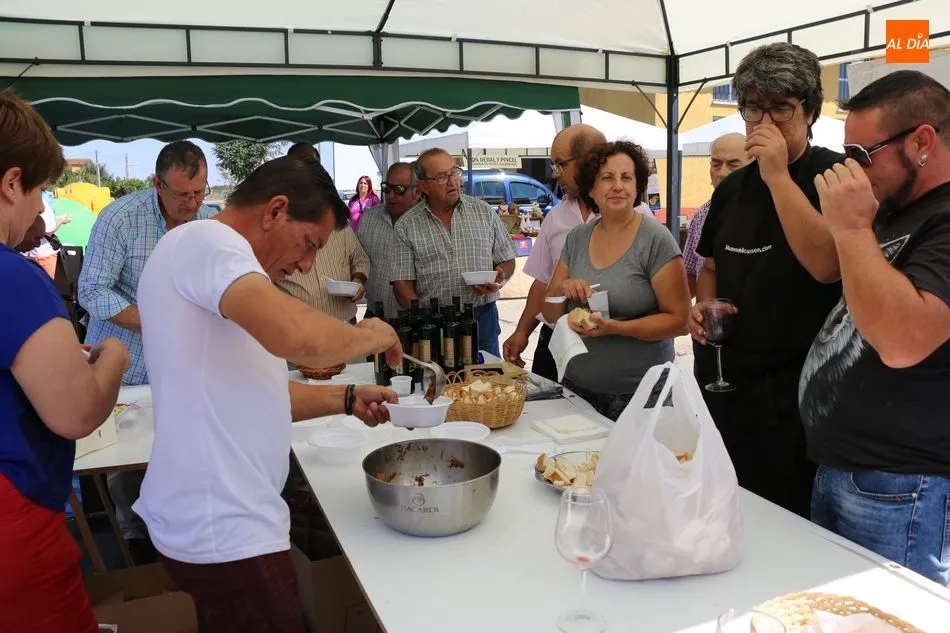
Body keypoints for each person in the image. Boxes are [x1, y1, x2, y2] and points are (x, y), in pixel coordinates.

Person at [133, 155, 402, 633]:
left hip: (223, 523)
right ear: (275, 210)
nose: (306, 264)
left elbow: (255, 391)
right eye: (309, 244)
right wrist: (372, 335)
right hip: (225, 530)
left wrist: (345, 398)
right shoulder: (207, 242)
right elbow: (297, 338)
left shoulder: (212, 266)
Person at [799, 70, 950, 585]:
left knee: (889, 616)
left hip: (903, 484)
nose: (851, 169)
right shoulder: (895, 208)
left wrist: (850, 227)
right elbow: (828, 270)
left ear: (922, 142)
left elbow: (904, 342)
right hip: (849, 468)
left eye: (862, 154)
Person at [691, 43, 844, 518]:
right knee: (723, 507)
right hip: (726, 382)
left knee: (784, 518)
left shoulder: (833, 174)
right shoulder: (732, 189)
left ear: (810, 112)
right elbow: (710, 265)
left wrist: (777, 175)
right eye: (754, 107)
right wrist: (703, 306)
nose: (764, 122)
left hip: (798, 394)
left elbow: (828, 265)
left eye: (781, 107)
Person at [0, 90, 129, 633]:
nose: (40, 210)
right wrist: (113, 356)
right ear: (11, 183)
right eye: (39, 192)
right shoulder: (13, 277)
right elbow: (77, 412)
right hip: (15, 533)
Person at [78, 140, 216, 562]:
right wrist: (158, 318)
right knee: (127, 462)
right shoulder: (120, 218)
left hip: (184, 365)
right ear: (158, 184)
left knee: (184, 449)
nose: (192, 203)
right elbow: (92, 291)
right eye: (181, 194)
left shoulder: (208, 221)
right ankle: (133, 537)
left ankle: (178, 532)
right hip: (127, 365)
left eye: (199, 192)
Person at [541, 141, 689, 421]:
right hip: (578, 390)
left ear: (637, 186)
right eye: (607, 178)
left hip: (643, 394)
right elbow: (549, 312)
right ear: (591, 189)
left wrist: (616, 328)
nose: (618, 186)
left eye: (626, 177)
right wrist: (563, 288)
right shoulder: (577, 238)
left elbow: (680, 321)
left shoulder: (655, 239)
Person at [503, 124, 607, 380]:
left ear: (588, 161)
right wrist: (521, 332)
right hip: (556, 341)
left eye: (560, 164)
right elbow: (542, 282)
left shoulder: (635, 216)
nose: (554, 173)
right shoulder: (556, 215)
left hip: (608, 344)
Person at [392, 148, 516, 356]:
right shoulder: (407, 225)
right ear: (423, 186)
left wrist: (500, 278)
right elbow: (401, 283)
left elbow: (507, 259)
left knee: (487, 374)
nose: (452, 181)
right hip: (434, 319)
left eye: (454, 172)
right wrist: (424, 317)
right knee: (440, 375)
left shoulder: (483, 211)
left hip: (482, 316)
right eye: (441, 177)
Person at [682, 133, 752, 388]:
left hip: (750, 338)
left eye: (733, 164)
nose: (722, 172)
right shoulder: (702, 214)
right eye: (716, 163)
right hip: (710, 336)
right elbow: (691, 275)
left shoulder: (767, 212)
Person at [357, 162, 422, 320]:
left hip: (416, 320)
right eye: (387, 188)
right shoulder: (369, 219)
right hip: (375, 316)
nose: (391, 195)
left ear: (417, 192)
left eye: (399, 189)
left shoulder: (428, 224)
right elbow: (356, 259)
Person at [275, 225, 368, 324]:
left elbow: (360, 260)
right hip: (297, 326)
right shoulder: (280, 231)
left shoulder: (342, 228)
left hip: (346, 324)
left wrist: (357, 281)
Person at [23, 191, 69, 278]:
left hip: (25, 255)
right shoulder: (40, 201)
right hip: (43, 254)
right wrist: (61, 221)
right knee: (48, 282)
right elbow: (49, 229)